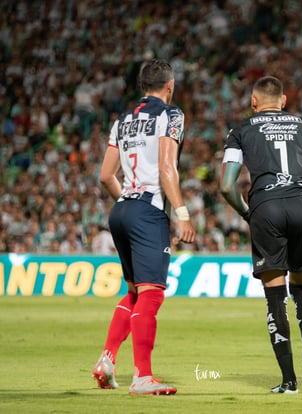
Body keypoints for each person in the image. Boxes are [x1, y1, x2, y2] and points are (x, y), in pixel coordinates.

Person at [220, 76, 302, 394]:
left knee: (275, 297)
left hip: (266, 206)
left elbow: (226, 186)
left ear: (253, 102)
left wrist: (249, 215)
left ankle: (289, 381)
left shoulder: (240, 131)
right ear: (283, 101)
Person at [93, 59, 196, 395]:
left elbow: (106, 176)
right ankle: (143, 377)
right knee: (151, 296)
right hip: (147, 211)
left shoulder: (121, 121)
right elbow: (167, 168)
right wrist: (181, 212)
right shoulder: (172, 115)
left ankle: (107, 360)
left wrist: (128, 200)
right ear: (170, 85)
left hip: (121, 209)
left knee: (136, 292)